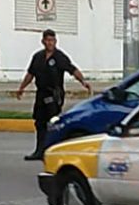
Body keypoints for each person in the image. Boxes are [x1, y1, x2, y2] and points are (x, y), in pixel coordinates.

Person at [15, 29, 91, 160]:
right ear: (43, 41)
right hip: (41, 93)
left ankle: (53, 151)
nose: (50, 43)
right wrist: (22, 87)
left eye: (52, 40)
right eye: (48, 40)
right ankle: (39, 151)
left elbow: (72, 70)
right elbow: (30, 74)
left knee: (53, 122)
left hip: (54, 94)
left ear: (55, 41)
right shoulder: (38, 57)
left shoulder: (59, 57)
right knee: (39, 122)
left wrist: (83, 82)